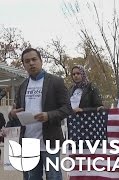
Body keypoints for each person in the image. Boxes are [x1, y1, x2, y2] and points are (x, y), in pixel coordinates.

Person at [8, 48, 72, 180]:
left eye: (34, 59)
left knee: (53, 176)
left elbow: (67, 108)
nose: (31, 63)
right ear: (24, 65)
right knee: (32, 177)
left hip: (50, 140)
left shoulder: (56, 82)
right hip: (28, 141)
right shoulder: (23, 85)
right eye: (27, 61)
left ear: (41, 61)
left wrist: (48, 115)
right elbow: (16, 111)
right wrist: (12, 114)